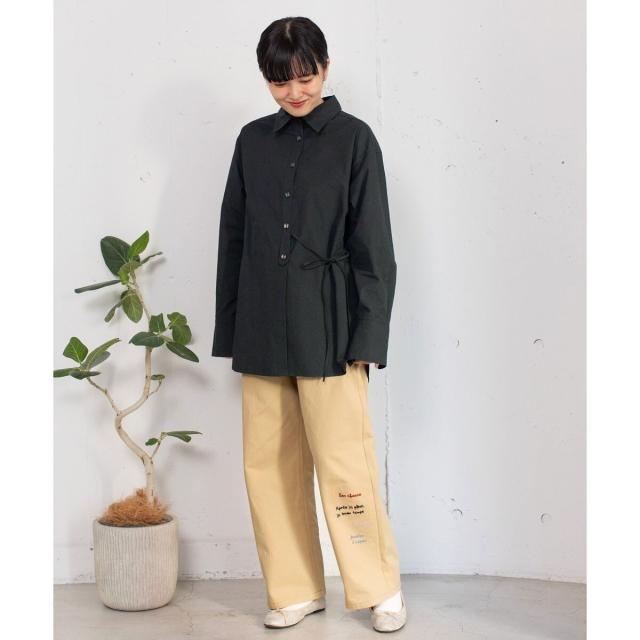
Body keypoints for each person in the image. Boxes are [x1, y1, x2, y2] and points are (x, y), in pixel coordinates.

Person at [211, 16, 406, 632]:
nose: (295, 92)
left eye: (305, 77)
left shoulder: (355, 140)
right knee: (268, 466)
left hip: (331, 328)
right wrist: (232, 331)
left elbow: (374, 247)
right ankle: (294, 589)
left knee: (345, 462)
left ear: (325, 67)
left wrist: (368, 337)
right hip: (263, 326)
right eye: (280, 81)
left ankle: (377, 586)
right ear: (265, 79)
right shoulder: (251, 142)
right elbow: (234, 239)